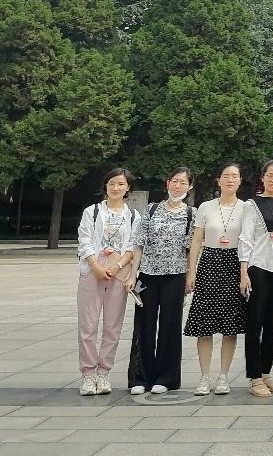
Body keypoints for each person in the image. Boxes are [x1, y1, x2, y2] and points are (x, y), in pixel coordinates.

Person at [126, 167, 195, 395]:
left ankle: (167, 378)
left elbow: (191, 249)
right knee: (144, 325)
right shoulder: (151, 209)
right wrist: (133, 274)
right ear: (167, 183)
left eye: (183, 182)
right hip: (147, 275)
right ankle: (140, 377)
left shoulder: (191, 214)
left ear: (189, 187)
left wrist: (190, 276)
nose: (178, 186)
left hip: (175, 276)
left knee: (170, 326)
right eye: (174, 181)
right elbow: (139, 243)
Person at [185, 162, 247, 396]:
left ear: (240, 181)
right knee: (205, 325)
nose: (230, 180)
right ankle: (204, 376)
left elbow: (248, 241)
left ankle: (223, 376)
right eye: (226, 176)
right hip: (209, 263)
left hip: (235, 263)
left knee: (230, 326)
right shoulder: (206, 207)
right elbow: (196, 241)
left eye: (234, 176)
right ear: (218, 180)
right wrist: (191, 271)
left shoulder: (246, 208)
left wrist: (245, 273)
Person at [76, 168, 140, 396]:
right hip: (92, 272)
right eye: (112, 183)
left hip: (118, 273)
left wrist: (117, 266)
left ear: (128, 188)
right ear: (105, 185)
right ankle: (88, 374)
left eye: (121, 184)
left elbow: (133, 245)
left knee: (112, 326)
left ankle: (103, 373)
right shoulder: (92, 212)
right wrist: (95, 266)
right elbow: (84, 240)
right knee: (88, 325)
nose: (116, 188)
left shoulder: (133, 216)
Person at [238, 160, 273, 397]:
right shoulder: (251, 205)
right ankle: (254, 377)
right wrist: (244, 272)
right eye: (270, 175)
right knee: (255, 322)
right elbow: (246, 238)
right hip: (259, 264)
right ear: (262, 178)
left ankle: (266, 372)